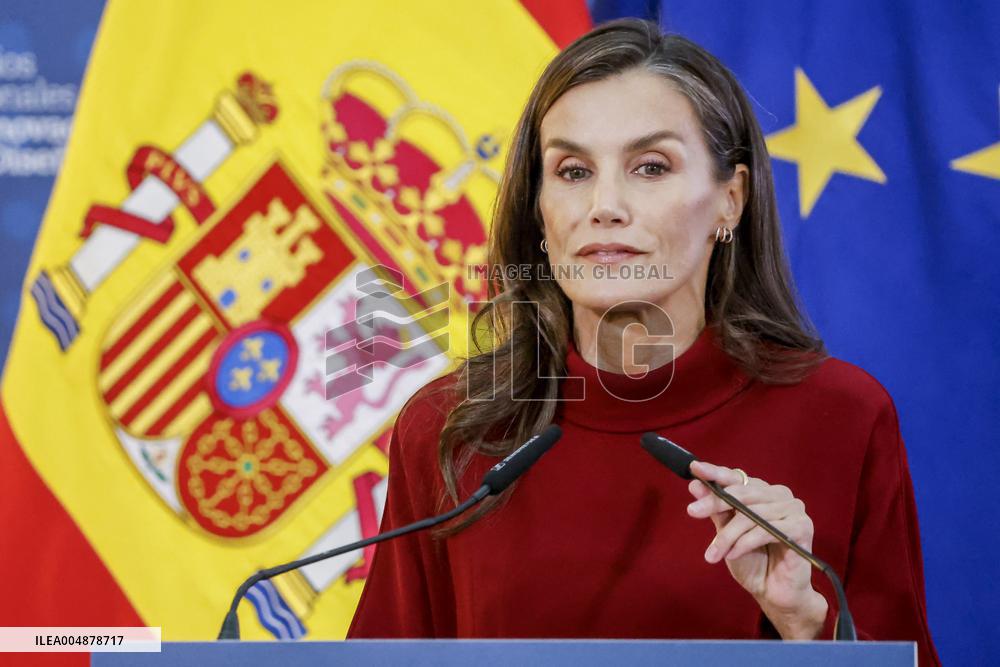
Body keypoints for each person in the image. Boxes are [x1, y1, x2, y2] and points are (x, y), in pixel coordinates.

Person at [348, 18, 939, 665]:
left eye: (650, 166)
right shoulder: (448, 429)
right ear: (538, 211)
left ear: (729, 201)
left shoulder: (843, 419)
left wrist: (806, 625)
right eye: (572, 170)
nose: (605, 204)